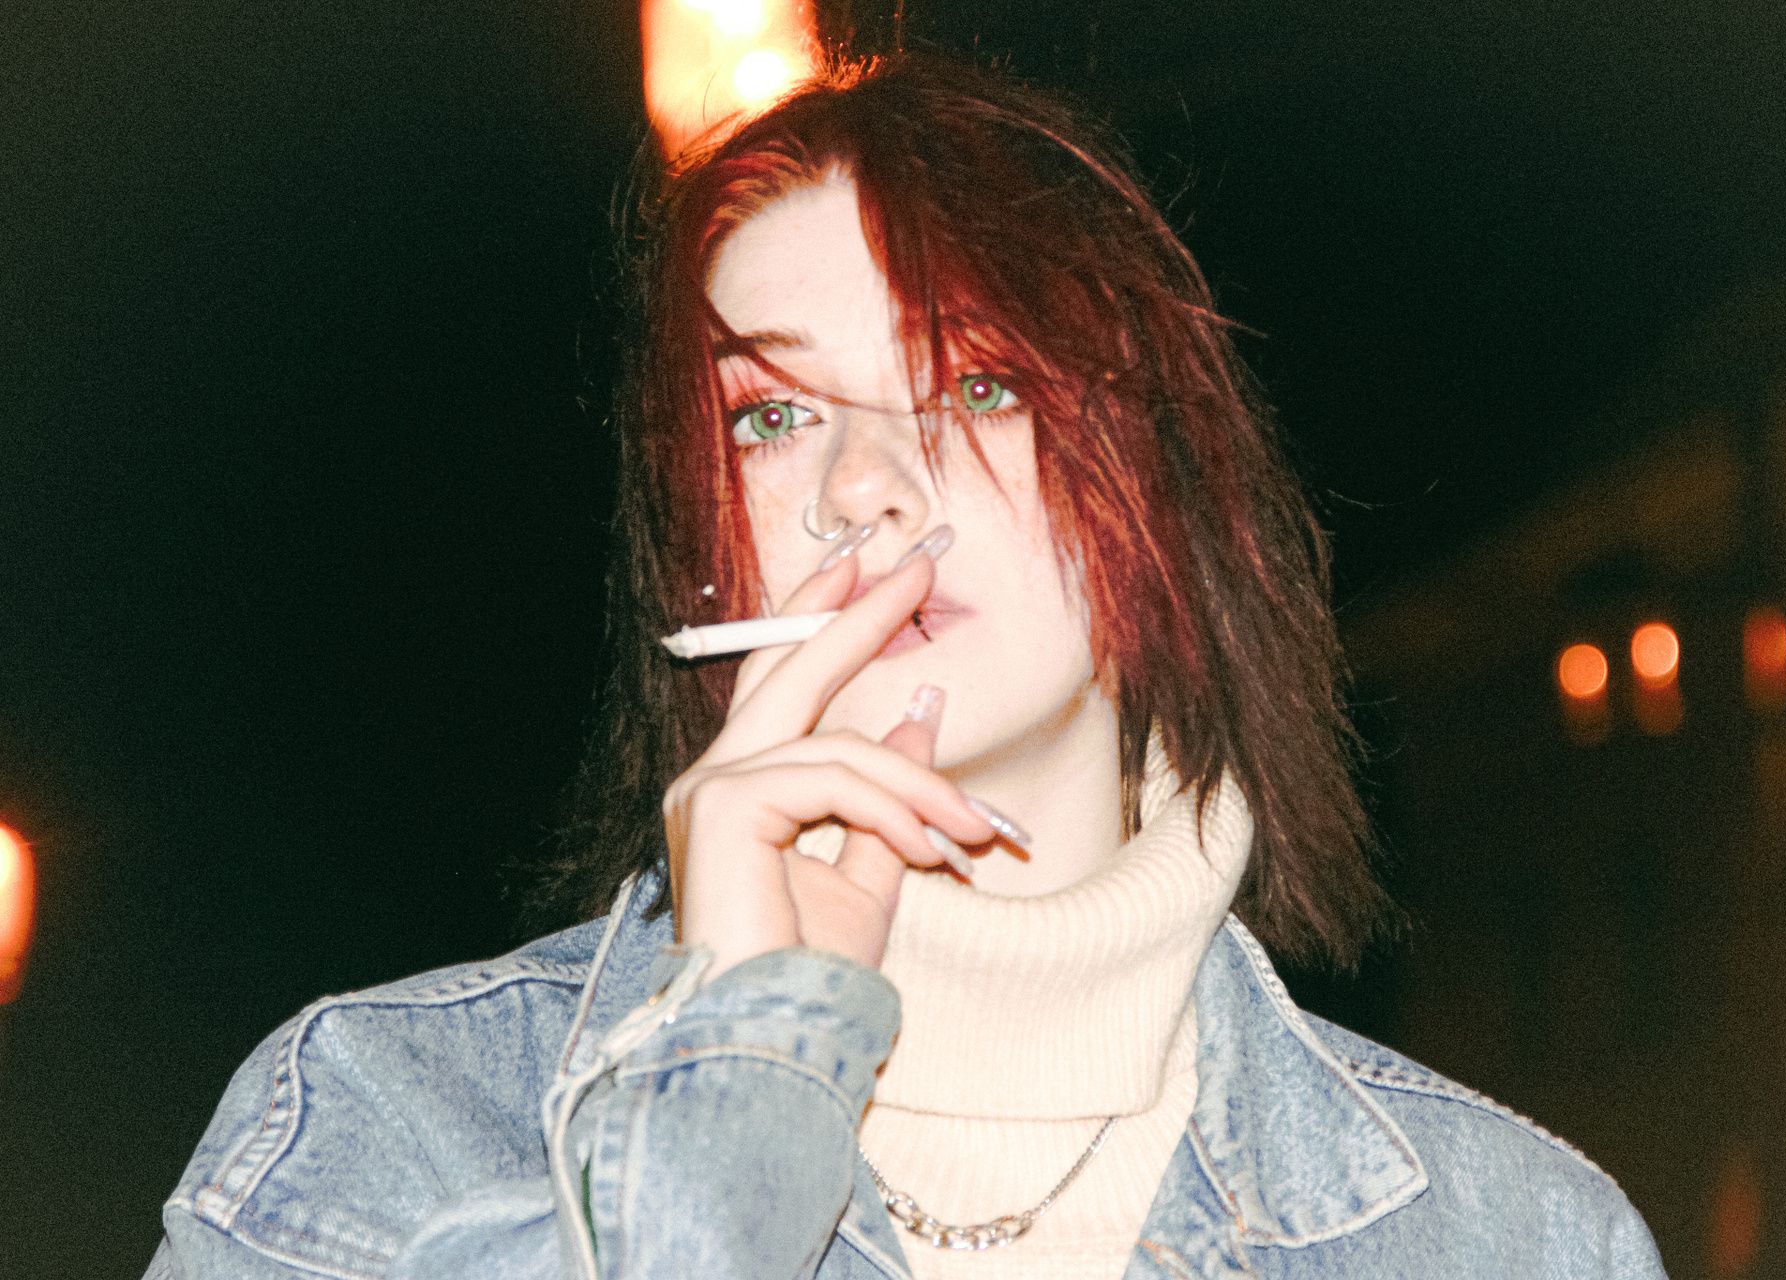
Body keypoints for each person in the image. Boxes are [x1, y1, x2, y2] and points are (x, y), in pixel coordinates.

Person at [146, 56, 1666, 1279]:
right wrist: (730, 1096)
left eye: (980, 383)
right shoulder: (375, 1135)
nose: (862, 490)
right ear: (700, 557)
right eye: (772, 418)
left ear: (1163, 493)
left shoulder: (1516, 1240)